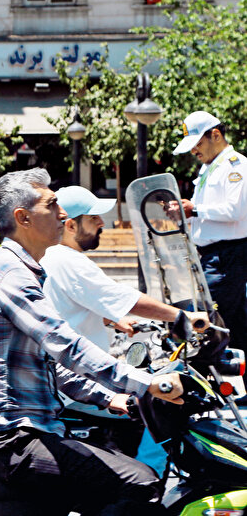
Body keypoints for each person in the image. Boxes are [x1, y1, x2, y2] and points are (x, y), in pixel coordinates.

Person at [0, 168, 184, 516]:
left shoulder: (28, 269)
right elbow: (67, 346)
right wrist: (148, 383)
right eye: (52, 205)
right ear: (23, 218)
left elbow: (49, 363)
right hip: (12, 439)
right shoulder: (11, 275)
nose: (63, 213)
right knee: (141, 481)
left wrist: (110, 397)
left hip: (32, 431)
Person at [41, 185, 208, 475]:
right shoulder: (69, 261)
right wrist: (183, 315)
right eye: (94, 218)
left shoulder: (53, 257)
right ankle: (148, 479)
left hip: (68, 375)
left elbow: (70, 305)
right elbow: (125, 297)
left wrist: (111, 319)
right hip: (74, 384)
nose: (102, 223)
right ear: (70, 225)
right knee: (161, 402)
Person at [171, 110, 247, 385]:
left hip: (228, 256)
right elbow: (204, 212)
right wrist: (185, 213)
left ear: (215, 135)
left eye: (198, 144)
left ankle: (195, 388)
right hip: (212, 256)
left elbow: (235, 210)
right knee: (237, 326)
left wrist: (194, 209)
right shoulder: (209, 168)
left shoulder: (236, 165)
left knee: (204, 324)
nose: (194, 151)